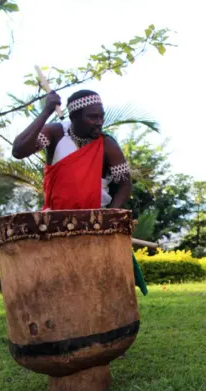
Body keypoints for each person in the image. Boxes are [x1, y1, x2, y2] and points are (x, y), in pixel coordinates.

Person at [12, 89, 147, 295]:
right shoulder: (56, 134)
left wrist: (109, 215)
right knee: (61, 289)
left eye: (101, 116)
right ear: (74, 116)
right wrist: (47, 110)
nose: (99, 121)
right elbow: (19, 150)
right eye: (92, 117)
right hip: (54, 226)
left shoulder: (107, 144)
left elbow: (124, 184)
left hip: (94, 226)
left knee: (98, 288)